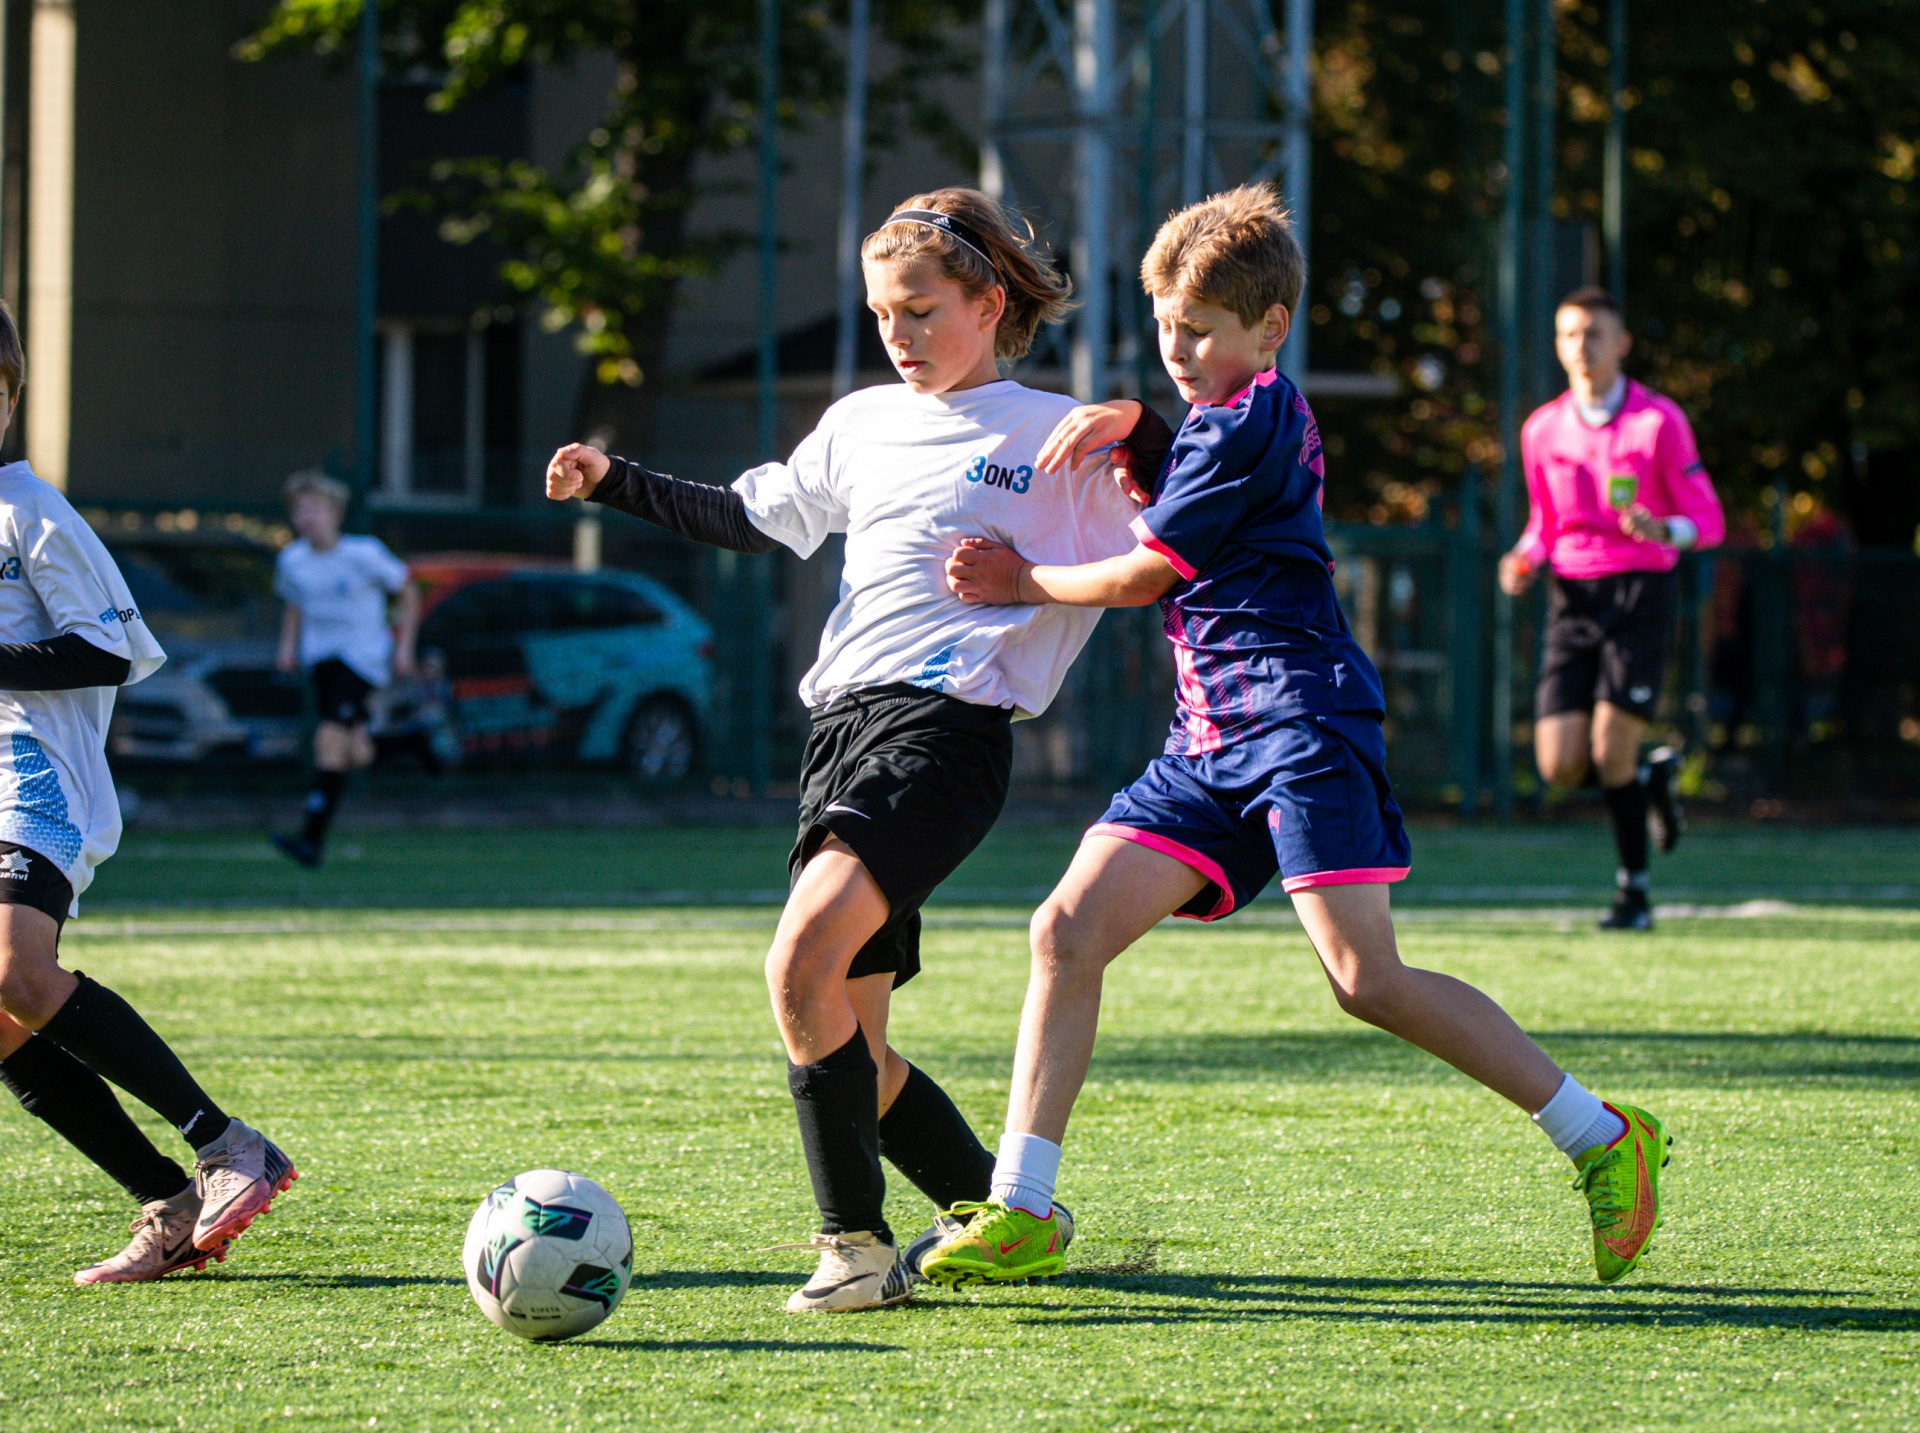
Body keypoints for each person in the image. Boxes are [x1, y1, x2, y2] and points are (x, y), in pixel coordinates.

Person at [933, 185, 1670, 1288]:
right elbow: (1187, 493)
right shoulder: (1222, 420)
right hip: (1206, 741)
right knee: (1066, 931)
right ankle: (1021, 1208)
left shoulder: (1253, 418)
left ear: (1269, 328)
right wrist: (1140, 425)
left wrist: (1020, 580)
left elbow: (1143, 574)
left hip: (1300, 723)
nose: (1177, 349)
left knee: (1366, 980)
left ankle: (1602, 1136)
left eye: (1200, 330)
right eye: (1166, 325)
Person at [544, 188, 1140, 1312]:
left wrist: (1140, 435)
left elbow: (1167, 548)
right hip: (841, 737)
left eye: (920, 309)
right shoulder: (862, 421)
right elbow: (750, 518)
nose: (897, 333)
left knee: (797, 965)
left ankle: (854, 1247)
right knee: (853, 1044)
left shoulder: (1055, 433)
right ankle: (1008, 1216)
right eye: (881, 314)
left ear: (988, 304)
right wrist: (615, 480)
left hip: (945, 734)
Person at [0, 302, 296, 1283]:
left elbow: (107, 650)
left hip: (35, 776)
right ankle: (168, 1205)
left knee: (16, 971)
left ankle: (229, 1145)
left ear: (7, 398)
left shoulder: (31, 511)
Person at [1499, 288, 1724, 931]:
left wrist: (1664, 530)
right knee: (1559, 764)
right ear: (1557, 345)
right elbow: (1543, 524)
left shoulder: (1658, 422)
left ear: (1622, 343)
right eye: (1570, 334)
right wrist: (1522, 559)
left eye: (1595, 333)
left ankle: (1634, 896)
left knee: (1610, 747)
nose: (1582, 346)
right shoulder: (1542, 429)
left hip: (1639, 593)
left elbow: (1708, 520)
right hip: (1572, 600)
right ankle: (1652, 782)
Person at [269, 472, 417, 868]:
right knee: (356, 751)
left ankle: (310, 840)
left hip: (362, 660)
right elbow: (294, 605)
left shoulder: (364, 553)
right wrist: (287, 648)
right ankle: (411, 744)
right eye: (299, 510)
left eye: (314, 509)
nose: (306, 518)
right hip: (322, 661)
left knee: (328, 740)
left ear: (335, 513)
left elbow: (407, 590)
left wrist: (404, 647)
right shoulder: (292, 560)